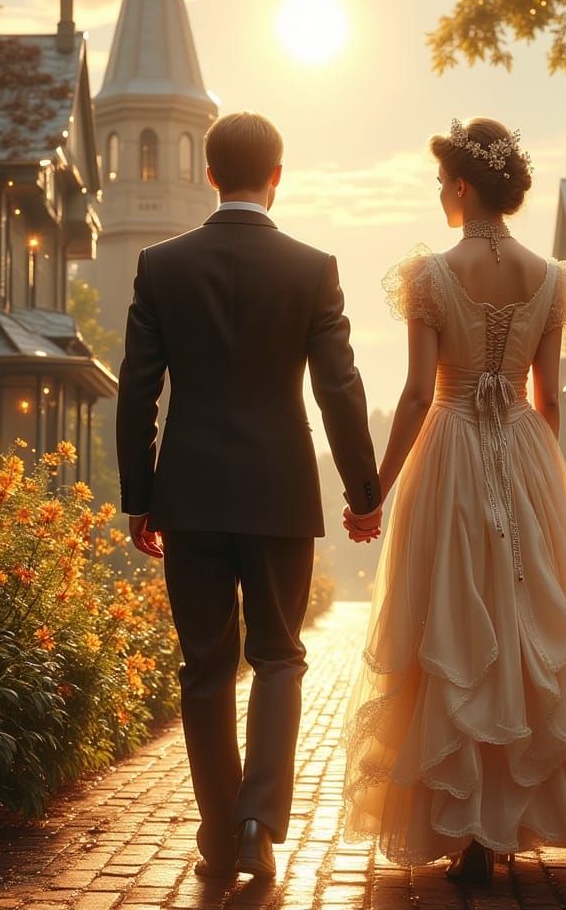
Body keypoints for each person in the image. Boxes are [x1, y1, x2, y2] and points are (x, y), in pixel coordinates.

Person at [342, 117, 566, 885]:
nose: (440, 193)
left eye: (441, 181)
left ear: (460, 185)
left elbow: (419, 393)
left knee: (452, 624)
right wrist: (536, 477)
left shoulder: (429, 275)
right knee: (527, 626)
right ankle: (509, 820)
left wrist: (373, 493)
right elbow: (549, 401)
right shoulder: (549, 278)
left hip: (449, 449)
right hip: (522, 449)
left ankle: (469, 831)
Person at [117, 111, 382, 880]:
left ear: (208, 174)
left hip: (189, 495)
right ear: (277, 174)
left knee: (203, 668)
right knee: (277, 658)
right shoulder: (313, 267)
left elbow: (138, 391)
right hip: (279, 494)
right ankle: (260, 822)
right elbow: (340, 388)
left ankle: (218, 832)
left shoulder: (160, 266)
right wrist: (362, 493)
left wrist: (141, 494)